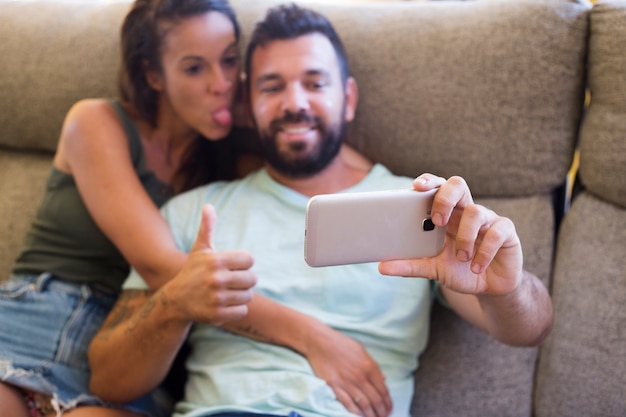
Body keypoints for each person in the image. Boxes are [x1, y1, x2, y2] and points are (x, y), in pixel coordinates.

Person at [88, 4, 554, 417]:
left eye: (315, 83)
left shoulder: (421, 209)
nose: (295, 103)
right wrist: (173, 306)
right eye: (273, 87)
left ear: (347, 98)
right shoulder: (195, 213)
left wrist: (504, 288)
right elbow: (107, 379)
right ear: (248, 105)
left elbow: (531, 328)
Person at [0, 0, 252, 415]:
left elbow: (323, 164)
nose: (221, 83)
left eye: (229, 61)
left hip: (128, 352)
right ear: (154, 75)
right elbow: (160, 268)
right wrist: (314, 337)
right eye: (195, 68)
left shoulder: (233, 171)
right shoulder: (95, 122)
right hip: (33, 316)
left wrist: (263, 106)